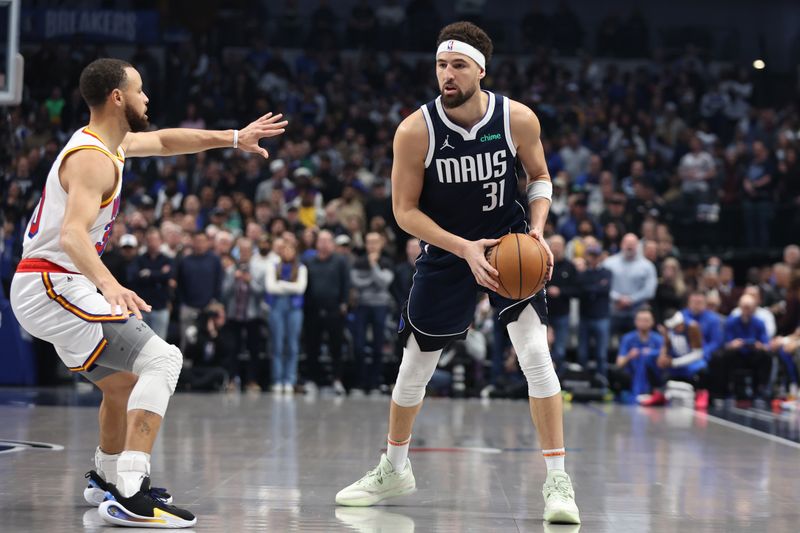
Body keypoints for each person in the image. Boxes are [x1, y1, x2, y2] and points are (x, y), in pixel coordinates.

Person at [9, 58, 287, 528]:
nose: (147, 98)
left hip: (52, 284)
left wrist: (233, 137)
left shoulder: (109, 145)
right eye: (140, 90)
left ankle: (105, 477)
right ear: (117, 97)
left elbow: (163, 141)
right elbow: (75, 235)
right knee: (163, 360)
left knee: (122, 384)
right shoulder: (93, 158)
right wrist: (111, 284)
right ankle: (132, 493)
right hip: (51, 282)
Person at [335, 22, 580, 524]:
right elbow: (404, 212)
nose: (447, 74)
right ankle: (394, 468)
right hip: (448, 251)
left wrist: (535, 232)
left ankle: (558, 482)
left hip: (509, 241)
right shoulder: (415, 130)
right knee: (413, 370)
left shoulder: (517, 119)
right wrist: (463, 248)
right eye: (441, 65)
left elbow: (539, 178)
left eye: (458, 66)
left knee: (535, 353)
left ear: (481, 71)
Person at [351, 232, 395, 393]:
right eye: (369, 242)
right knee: (359, 345)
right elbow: (356, 282)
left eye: (375, 242)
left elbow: (385, 282)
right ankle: (360, 383)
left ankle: (375, 383)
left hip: (380, 306)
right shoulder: (359, 261)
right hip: (362, 305)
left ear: (381, 243)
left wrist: (373, 266)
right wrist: (374, 276)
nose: (372, 245)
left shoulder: (387, 261)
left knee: (378, 346)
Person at [265, 240, 307, 394]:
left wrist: (281, 285)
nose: (288, 253)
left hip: (294, 309)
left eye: (291, 249)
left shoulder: (301, 268)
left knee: (292, 344)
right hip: (277, 308)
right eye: (285, 249)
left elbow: (300, 288)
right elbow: (270, 288)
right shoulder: (273, 266)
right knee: (277, 344)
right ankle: (277, 379)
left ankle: (290, 379)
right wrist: (290, 287)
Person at [603, 233, 657, 337]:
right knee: (607, 345)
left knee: (635, 345)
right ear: (621, 244)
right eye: (627, 243)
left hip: (637, 313)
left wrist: (631, 299)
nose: (629, 246)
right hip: (613, 311)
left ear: (638, 246)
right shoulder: (609, 263)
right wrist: (618, 298)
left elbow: (650, 290)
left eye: (632, 244)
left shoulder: (647, 266)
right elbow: (603, 286)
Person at [128, 228, 174, 339]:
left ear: (161, 241)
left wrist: (149, 273)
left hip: (160, 307)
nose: (152, 243)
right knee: (140, 340)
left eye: (155, 239)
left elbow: (169, 276)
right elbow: (134, 277)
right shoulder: (139, 259)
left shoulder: (167, 259)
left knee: (160, 341)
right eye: (149, 240)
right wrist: (159, 274)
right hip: (142, 307)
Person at [576, 241, 612, 377]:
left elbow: (605, 289)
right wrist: (596, 287)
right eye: (591, 255)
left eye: (595, 255)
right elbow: (580, 289)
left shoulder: (606, 273)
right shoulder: (583, 274)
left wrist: (591, 288)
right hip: (585, 316)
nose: (593, 258)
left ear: (600, 256)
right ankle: (582, 383)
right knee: (582, 354)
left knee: (601, 354)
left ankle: (602, 384)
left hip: (601, 316)